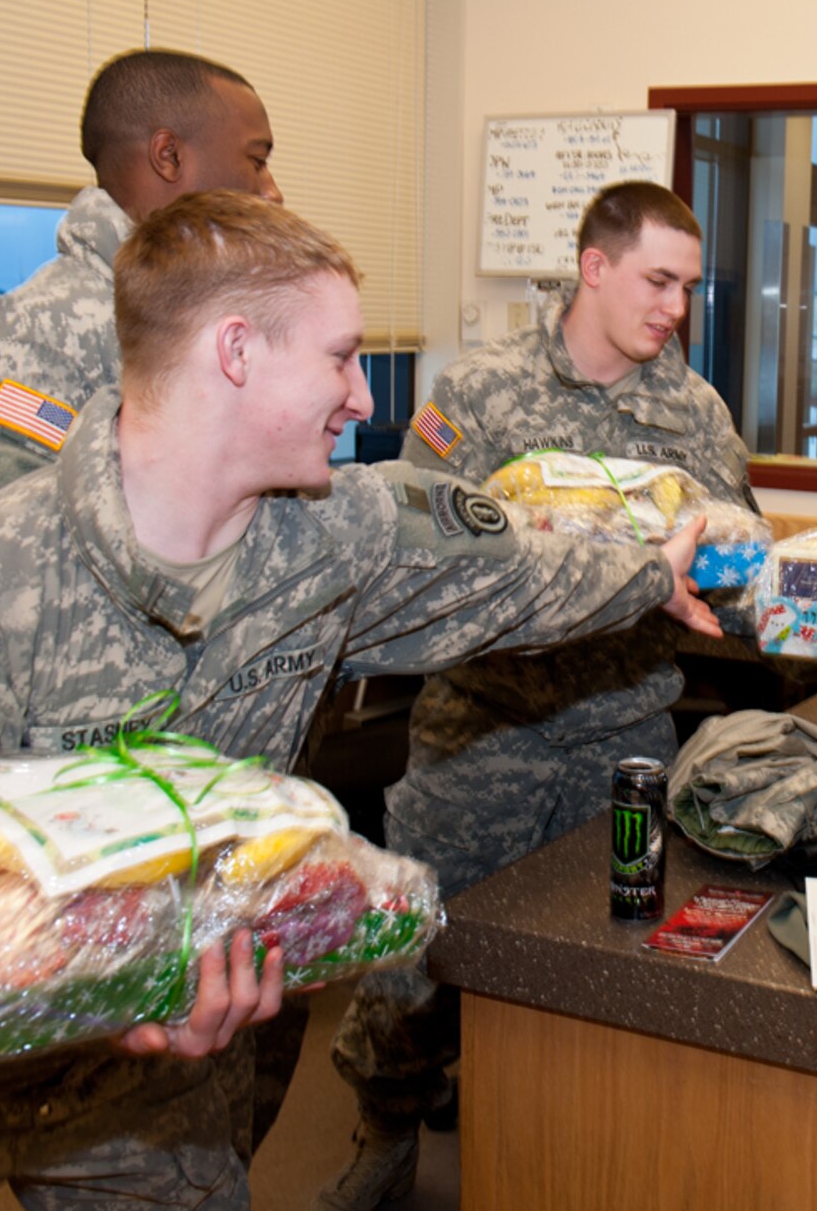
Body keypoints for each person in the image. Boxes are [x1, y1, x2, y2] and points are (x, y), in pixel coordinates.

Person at [0, 191, 718, 1209]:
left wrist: (653, 571)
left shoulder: (336, 536)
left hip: (150, 1077)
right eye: (340, 357)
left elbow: (515, 578)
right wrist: (107, 976)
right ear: (236, 350)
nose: (359, 396)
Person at [319, 181, 755, 1210]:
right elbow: (409, 550)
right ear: (592, 267)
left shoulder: (691, 410)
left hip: (623, 736)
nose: (675, 308)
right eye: (657, 280)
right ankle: (384, 1128)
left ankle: (563, 1149)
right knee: (412, 960)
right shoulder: (477, 394)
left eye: (688, 287)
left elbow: (732, 557)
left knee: (607, 967)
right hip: (484, 733)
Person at [0, 48, 283, 523]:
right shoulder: (38, 341)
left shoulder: (195, 323)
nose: (272, 191)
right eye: (256, 160)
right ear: (169, 156)